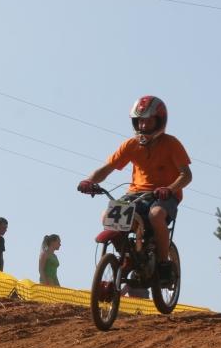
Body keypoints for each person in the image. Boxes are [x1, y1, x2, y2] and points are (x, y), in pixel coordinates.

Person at [77, 95, 191, 282]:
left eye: (148, 121)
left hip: (164, 196)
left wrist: (169, 189)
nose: (143, 126)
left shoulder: (171, 144)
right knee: (107, 217)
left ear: (160, 121)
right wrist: (89, 181)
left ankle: (163, 264)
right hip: (136, 194)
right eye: (140, 121)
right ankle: (129, 256)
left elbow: (186, 175)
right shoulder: (131, 145)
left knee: (156, 215)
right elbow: (107, 169)